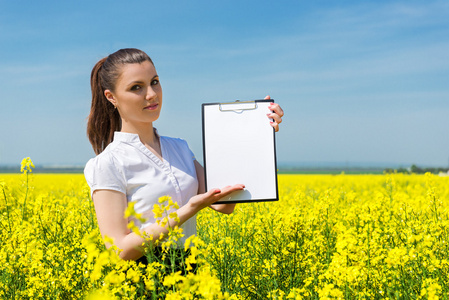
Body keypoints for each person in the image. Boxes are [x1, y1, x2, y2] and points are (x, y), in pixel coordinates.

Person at [84, 48, 284, 262]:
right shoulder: (108, 163)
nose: (151, 94)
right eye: (136, 88)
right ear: (111, 97)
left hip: (190, 274)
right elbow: (120, 251)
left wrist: (254, 132)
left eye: (154, 82)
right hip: (142, 281)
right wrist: (188, 210)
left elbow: (224, 202)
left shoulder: (179, 148)